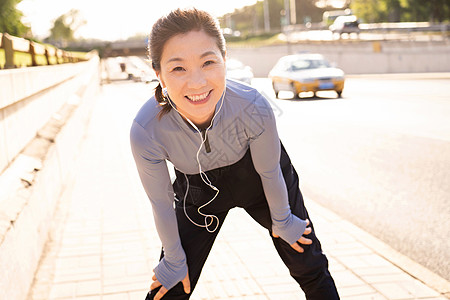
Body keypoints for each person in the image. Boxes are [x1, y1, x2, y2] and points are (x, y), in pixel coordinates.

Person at [130, 8, 340, 300]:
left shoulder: (253, 105)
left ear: (225, 61)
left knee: (309, 263)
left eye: (208, 62)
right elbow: (161, 203)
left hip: (260, 179)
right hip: (198, 192)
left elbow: (269, 171)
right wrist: (175, 261)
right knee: (170, 286)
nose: (197, 82)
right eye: (178, 68)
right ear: (159, 74)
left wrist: (282, 220)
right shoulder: (146, 130)